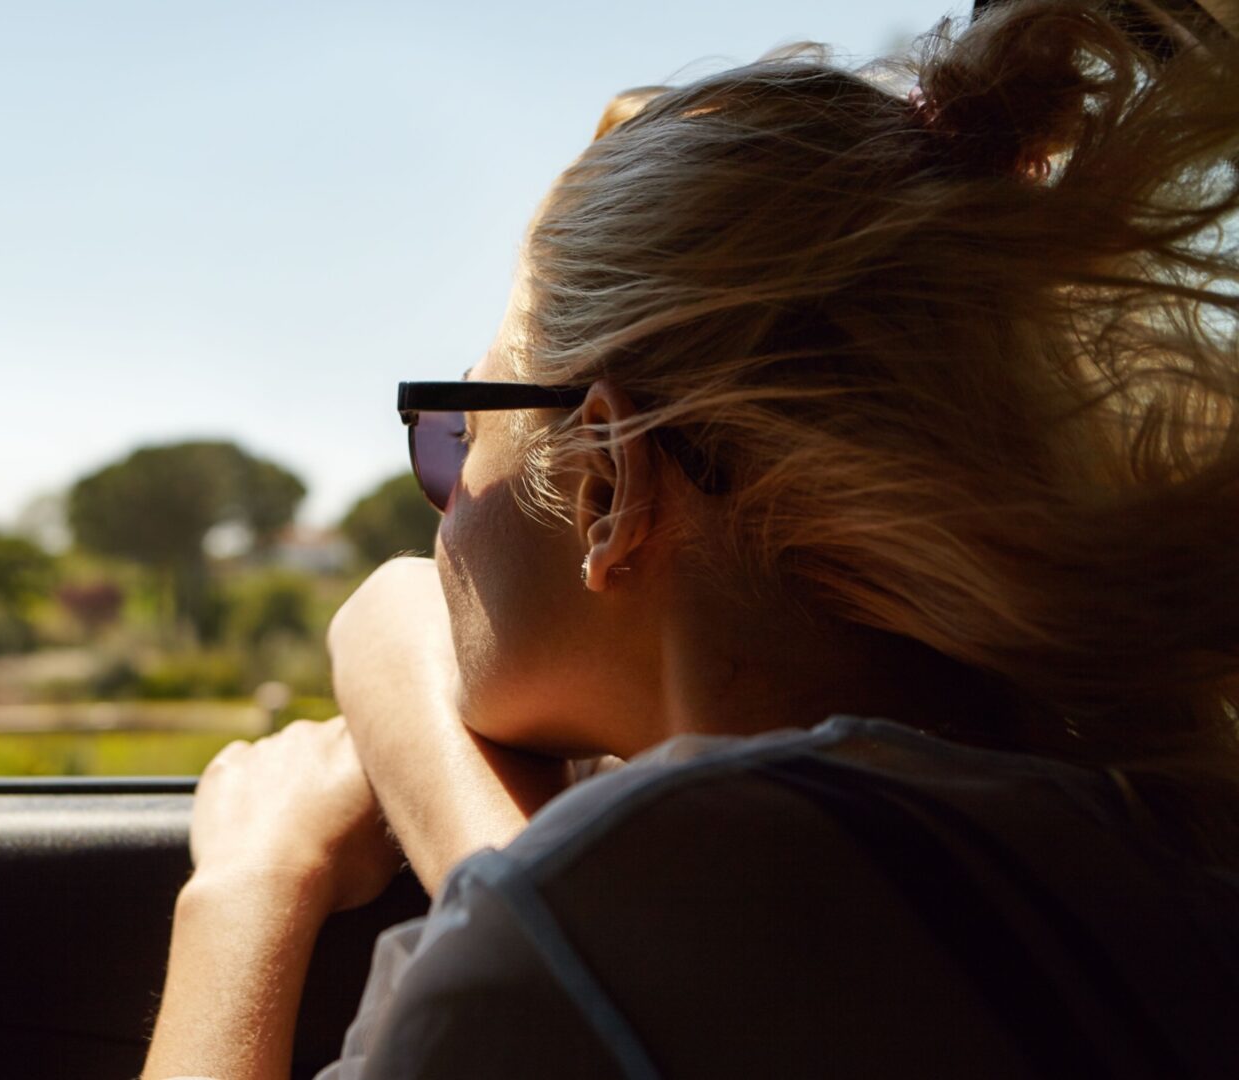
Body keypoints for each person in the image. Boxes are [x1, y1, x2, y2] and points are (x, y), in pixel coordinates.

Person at [143, 1, 1239, 1076]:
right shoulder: (1135, 853)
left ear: (609, 481)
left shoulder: (593, 944)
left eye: (459, 430)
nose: (447, 500)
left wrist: (246, 892)